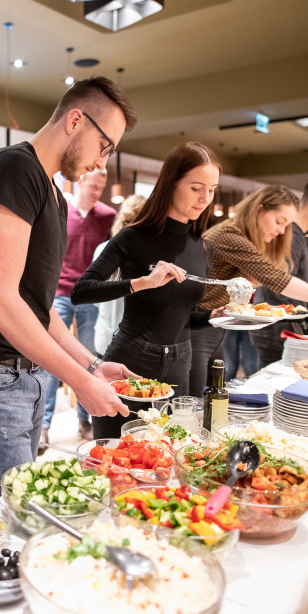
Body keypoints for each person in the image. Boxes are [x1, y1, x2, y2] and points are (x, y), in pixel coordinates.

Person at [0, 76, 137, 488]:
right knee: (9, 513)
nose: (102, 163)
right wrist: (81, 382)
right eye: (104, 147)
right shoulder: (15, 168)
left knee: (20, 506)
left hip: (23, 374)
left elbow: (39, 307)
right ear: (75, 120)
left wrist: (93, 366)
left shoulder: (52, 193)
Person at [72, 141, 218, 438]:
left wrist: (216, 315)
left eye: (212, 189)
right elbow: (81, 291)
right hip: (132, 359)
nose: (205, 198)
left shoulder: (203, 247)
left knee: (170, 455)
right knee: (114, 453)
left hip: (180, 363)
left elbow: (180, 316)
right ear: (171, 184)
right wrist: (142, 283)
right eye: (196, 188)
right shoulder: (133, 237)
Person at [189, 185, 308, 392]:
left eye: (286, 225)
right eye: (279, 221)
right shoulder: (230, 235)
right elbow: (280, 280)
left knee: (211, 394)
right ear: (259, 210)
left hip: (212, 323)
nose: (281, 230)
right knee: (195, 399)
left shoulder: (241, 236)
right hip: (196, 325)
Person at [43, 167, 116, 441]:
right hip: (60, 294)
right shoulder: (62, 209)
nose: (97, 192)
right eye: (93, 186)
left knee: (90, 360)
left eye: (101, 188)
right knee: (52, 358)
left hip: (89, 297)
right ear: (81, 181)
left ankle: (85, 420)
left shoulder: (108, 216)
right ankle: (45, 426)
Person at [248, 175, 308, 369]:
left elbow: (295, 282)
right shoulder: (291, 234)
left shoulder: (296, 234)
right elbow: (280, 284)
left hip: (280, 323)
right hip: (277, 326)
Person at [91, 194, 145, 358]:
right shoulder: (148, 255)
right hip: (136, 343)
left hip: (104, 339)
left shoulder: (102, 249)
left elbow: (94, 297)